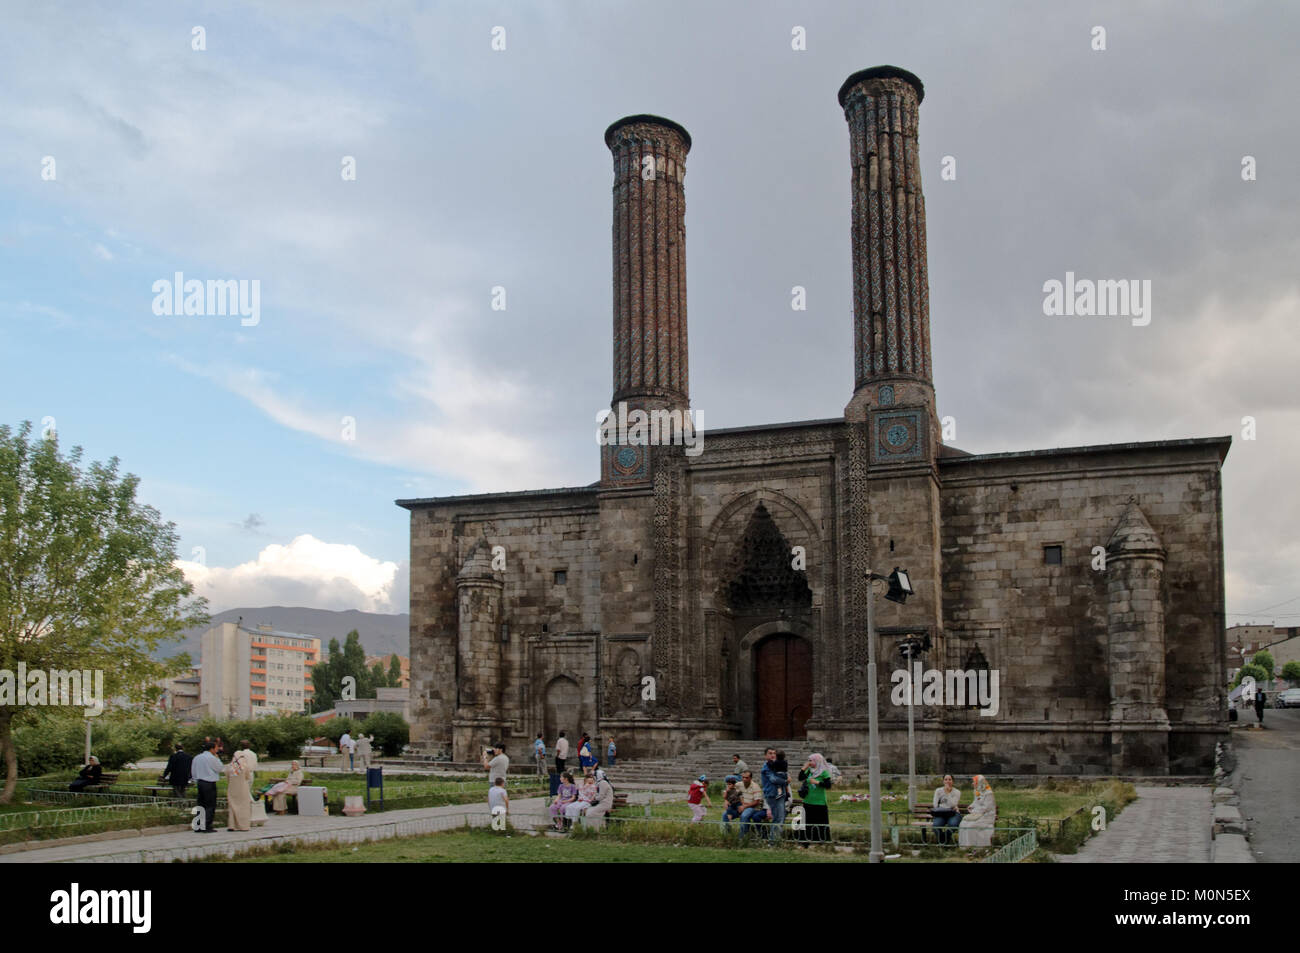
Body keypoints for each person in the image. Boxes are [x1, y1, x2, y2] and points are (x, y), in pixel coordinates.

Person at [797, 753, 834, 843]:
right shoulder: (809, 771)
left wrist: (817, 782)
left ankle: (821, 842)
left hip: (819, 802)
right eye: (809, 760)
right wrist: (804, 768)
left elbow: (828, 785)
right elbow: (800, 778)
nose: (809, 762)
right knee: (806, 822)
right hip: (808, 801)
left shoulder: (823, 772)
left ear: (817, 761)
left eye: (811, 760)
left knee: (820, 823)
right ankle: (805, 842)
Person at [760, 747, 790, 842]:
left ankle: (776, 839)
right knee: (777, 818)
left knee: (780, 817)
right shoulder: (766, 766)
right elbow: (773, 779)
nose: (772, 755)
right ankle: (773, 841)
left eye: (774, 753)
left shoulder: (775, 765)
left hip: (780, 794)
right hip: (773, 794)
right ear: (765, 755)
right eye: (770, 753)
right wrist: (785, 781)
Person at [191, 742, 222, 832]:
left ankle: (198, 825)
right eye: (216, 748)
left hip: (200, 781)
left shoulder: (197, 757)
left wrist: (196, 779)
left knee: (201, 804)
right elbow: (219, 768)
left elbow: (193, 770)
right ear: (212, 749)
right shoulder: (211, 758)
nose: (217, 750)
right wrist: (217, 758)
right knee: (210, 805)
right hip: (209, 782)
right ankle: (207, 825)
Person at [958, 775, 996, 848]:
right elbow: (976, 802)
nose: (973, 783)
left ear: (979, 783)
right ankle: (964, 847)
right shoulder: (977, 791)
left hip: (986, 817)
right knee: (963, 824)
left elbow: (986, 808)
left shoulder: (988, 793)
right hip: (977, 814)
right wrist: (971, 806)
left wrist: (975, 810)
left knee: (970, 826)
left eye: (974, 782)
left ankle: (972, 847)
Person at [225, 749, 253, 831]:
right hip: (243, 788)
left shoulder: (229, 767)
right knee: (243, 807)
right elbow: (248, 777)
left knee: (232, 806)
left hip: (232, 788)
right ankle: (243, 825)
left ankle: (232, 825)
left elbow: (227, 778)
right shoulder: (245, 766)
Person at [931, 774, 961, 844]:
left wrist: (948, 793)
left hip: (953, 813)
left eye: (950, 779)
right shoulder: (938, 790)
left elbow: (953, 804)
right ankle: (944, 842)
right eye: (946, 779)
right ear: (943, 781)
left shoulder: (957, 792)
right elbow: (935, 805)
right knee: (936, 826)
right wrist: (945, 807)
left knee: (953, 825)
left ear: (953, 781)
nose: (948, 781)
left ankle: (943, 841)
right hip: (941, 813)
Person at [737, 769, 766, 838]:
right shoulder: (738, 784)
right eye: (743, 777)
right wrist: (726, 801)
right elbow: (733, 791)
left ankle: (741, 837)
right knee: (725, 814)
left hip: (754, 808)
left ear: (750, 778)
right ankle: (726, 836)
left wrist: (744, 806)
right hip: (743, 805)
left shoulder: (755, 786)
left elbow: (757, 802)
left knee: (744, 815)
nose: (744, 779)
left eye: (746, 778)